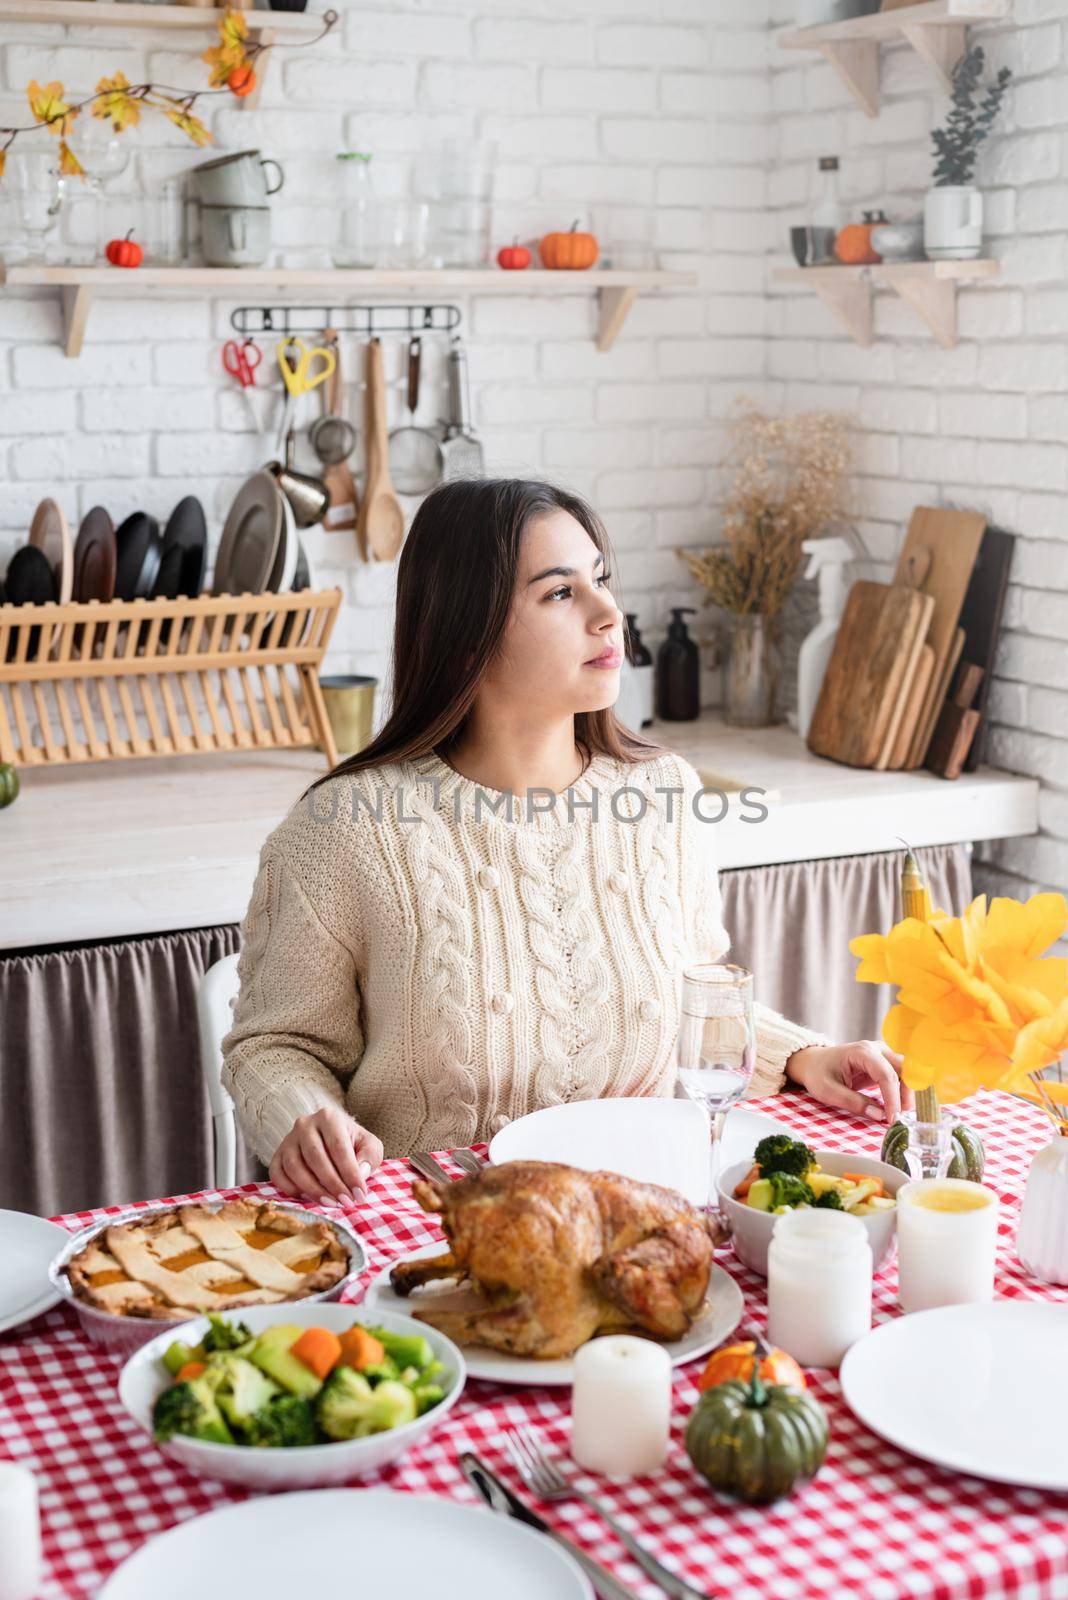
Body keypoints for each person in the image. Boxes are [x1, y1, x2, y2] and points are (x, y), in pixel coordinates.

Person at [222, 479, 910, 1207]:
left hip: (642, 1211)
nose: (609, 613)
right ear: (467, 629)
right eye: (560, 593)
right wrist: (303, 1115)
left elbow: (687, 1000)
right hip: (438, 1226)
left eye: (601, 580)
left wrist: (808, 1055)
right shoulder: (345, 833)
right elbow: (275, 1047)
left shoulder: (661, 799)